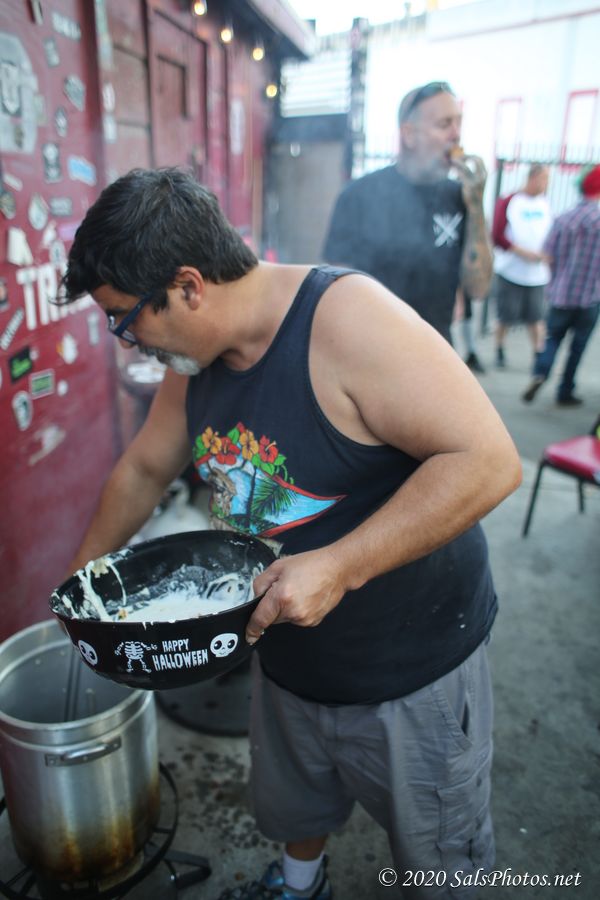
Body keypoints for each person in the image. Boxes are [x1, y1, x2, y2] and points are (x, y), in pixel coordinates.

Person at [60, 168, 521, 900]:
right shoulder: (195, 360)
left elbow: (489, 462)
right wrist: (79, 589)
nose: (128, 343)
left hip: (407, 666)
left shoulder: (348, 321)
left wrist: (337, 565)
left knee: (440, 857)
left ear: (188, 287)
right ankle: (300, 885)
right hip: (284, 651)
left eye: (126, 320)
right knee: (298, 800)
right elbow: (145, 469)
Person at [322, 81, 493, 345]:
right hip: (371, 349)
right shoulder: (358, 196)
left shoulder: (460, 197)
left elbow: (479, 288)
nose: (456, 134)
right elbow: (336, 290)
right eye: (444, 124)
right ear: (409, 135)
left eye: (458, 123)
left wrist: (476, 207)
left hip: (436, 349)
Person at [522, 164, 600, 407]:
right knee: (577, 348)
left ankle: (540, 372)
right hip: (591, 296)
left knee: (552, 338)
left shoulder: (564, 218)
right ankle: (565, 390)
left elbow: (547, 255)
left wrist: (558, 276)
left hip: (561, 293)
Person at [491, 164, 552, 368]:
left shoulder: (544, 203)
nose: (546, 184)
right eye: (544, 179)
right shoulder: (510, 201)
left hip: (536, 274)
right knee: (505, 316)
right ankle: (499, 348)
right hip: (511, 270)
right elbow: (497, 235)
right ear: (532, 178)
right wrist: (523, 253)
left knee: (536, 317)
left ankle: (538, 354)